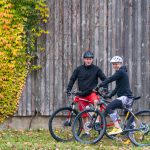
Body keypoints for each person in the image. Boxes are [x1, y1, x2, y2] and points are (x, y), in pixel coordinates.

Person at [66, 50, 107, 137]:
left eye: (90, 59)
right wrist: (68, 89)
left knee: (97, 103)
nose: (88, 60)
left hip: (92, 93)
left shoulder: (96, 69)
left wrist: (105, 88)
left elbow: (104, 79)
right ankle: (87, 132)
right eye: (87, 59)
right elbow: (72, 79)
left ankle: (97, 123)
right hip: (81, 94)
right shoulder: (78, 69)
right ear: (84, 59)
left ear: (92, 60)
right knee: (84, 114)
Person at [96, 56, 133, 135]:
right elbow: (117, 88)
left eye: (117, 64)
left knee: (109, 107)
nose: (115, 65)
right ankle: (130, 137)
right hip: (127, 98)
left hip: (125, 97)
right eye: (113, 64)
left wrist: (100, 85)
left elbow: (110, 79)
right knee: (129, 117)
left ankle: (117, 127)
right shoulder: (120, 73)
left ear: (120, 64)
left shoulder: (121, 72)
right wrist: (109, 95)